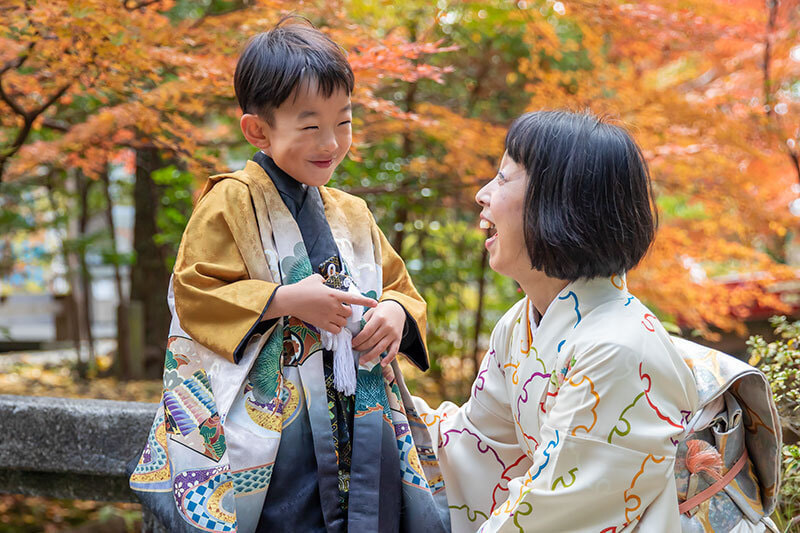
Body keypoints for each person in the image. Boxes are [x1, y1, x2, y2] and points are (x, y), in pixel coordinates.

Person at [129, 18, 449, 533]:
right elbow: (193, 291)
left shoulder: (352, 211)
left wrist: (394, 312)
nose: (331, 142)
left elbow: (399, 288)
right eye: (310, 126)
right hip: (276, 425)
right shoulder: (230, 200)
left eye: (343, 122)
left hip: (354, 411)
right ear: (258, 129)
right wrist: (282, 300)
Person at [414, 110, 699, 532]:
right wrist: (381, 402)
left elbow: (548, 514)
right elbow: (474, 448)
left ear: (561, 202)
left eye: (504, 178)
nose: (482, 194)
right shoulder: (519, 324)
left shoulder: (617, 350)